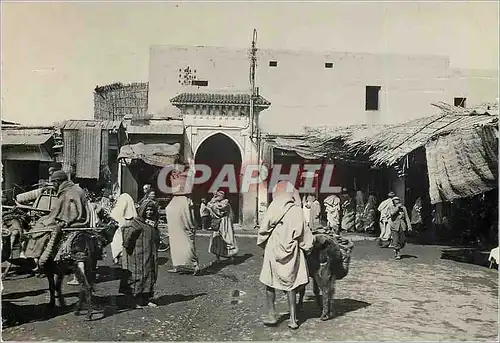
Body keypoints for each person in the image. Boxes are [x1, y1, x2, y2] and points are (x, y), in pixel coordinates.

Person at [257, 181, 314, 330]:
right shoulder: (296, 210)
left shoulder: (273, 207)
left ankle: (271, 315)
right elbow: (304, 235)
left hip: (273, 248)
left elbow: (263, 230)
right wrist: (307, 248)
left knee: (269, 283)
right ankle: (293, 319)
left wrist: (264, 244)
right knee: (291, 285)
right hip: (292, 250)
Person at [23, 170, 90, 271]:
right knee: (42, 220)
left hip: (73, 221)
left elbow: (73, 212)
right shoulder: (74, 189)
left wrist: (63, 222)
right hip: (73, 218)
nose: (53, 186)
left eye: (53, 183)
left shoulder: (69, 192)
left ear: (57, 182)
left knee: (41, 228)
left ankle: (35, 257)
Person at [119, 199, 160, 309]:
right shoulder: (135, 223)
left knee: (149, 275)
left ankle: (145, 300)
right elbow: (126, 240)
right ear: (142, 210)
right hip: (137, 256)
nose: (149, 212)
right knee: (136, 277)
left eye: (151, 210)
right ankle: (132, 301)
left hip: (150, 255)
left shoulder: (152, 224)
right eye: (147, 210)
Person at [165, 172, 200, 274]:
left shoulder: (186, 200)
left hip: (183, 220)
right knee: (175, 241)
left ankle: (194, 265)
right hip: (175, 226)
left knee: (188, 241)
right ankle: (177, 265)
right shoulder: (175, 200)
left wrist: (191, 226)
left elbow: (189, 217)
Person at [207, 190, 239, 263]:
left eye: (218, 196)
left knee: (227, 237)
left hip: (225, 223)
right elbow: (210, 207)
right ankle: (217, 257)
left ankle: (231, 256)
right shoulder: (216, 203)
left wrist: (213, 202)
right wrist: (213, 200)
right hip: (218, 223)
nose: (216, 197)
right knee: (217, 238)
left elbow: (219, 212)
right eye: (216, 196)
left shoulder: (225, 203)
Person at [109, 193, 138, 265]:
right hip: (129, 223)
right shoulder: (129, 199)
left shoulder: (122, 199)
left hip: (121, 223)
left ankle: (116, 257)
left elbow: (116, 213)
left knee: (117, 240)